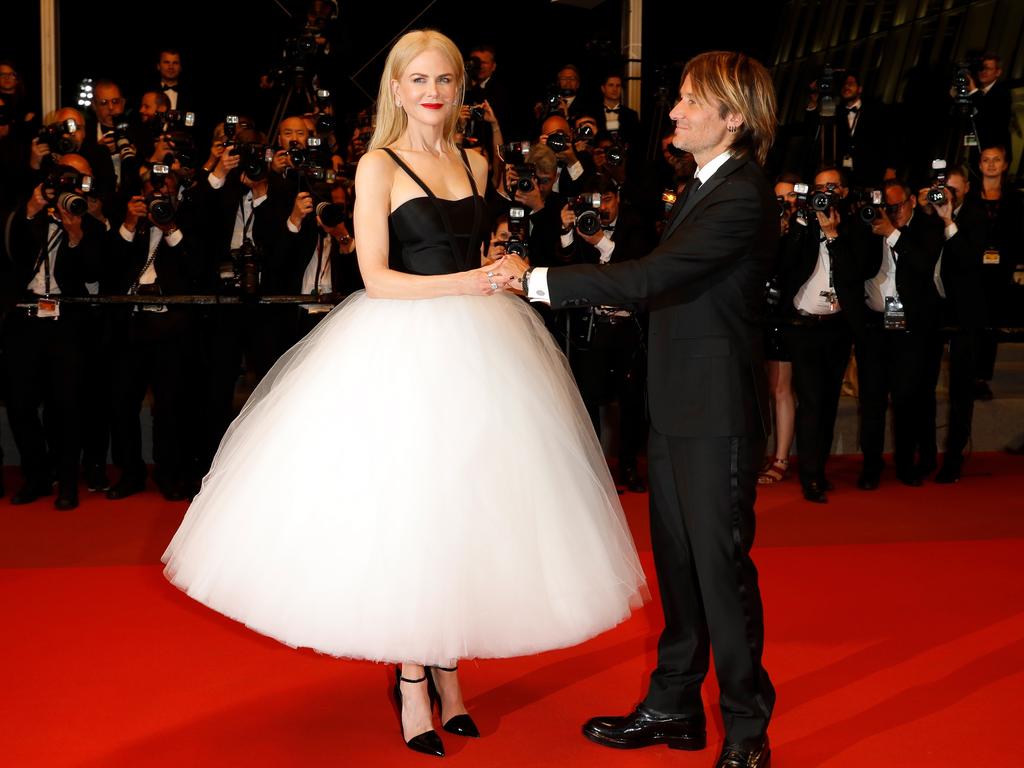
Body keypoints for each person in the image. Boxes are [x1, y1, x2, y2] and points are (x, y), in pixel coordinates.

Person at [161, 28, 645, 759]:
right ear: (395, 88)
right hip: (399, 348)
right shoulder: (375, 166)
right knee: (412, 507)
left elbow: (479, 253)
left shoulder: (478, 160)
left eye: (444, 80)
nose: (432, 92)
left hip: (489, 350)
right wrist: (472, 283)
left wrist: (502, 263)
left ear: (459, 89)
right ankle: (413, 678)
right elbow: (378, 278)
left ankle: (449, 664)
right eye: (417, 79)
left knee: (471, 504)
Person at [498, 49, 777, 768]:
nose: (675, 111)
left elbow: (654, 277)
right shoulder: (699, 187)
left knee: (720, 569)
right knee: (680, 566)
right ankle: (674, 705)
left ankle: (747, 727)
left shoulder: (742, 194)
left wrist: (536, 281)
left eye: (690, 100)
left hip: (716, 414)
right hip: (678, 404)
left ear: (734, 118)